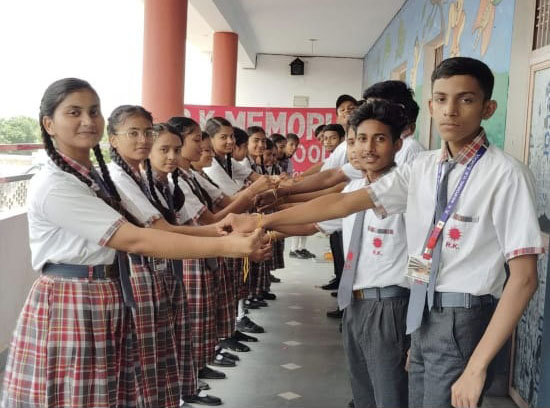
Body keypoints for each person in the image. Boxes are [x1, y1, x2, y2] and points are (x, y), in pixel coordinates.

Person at [227, 57, 544, 408]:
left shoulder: (506, 174)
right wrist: (262, 222)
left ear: (488, 108)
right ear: (431, 106)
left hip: (463, 316)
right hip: (422, 311)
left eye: (465, 99)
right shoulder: (423, 168)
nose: (450, 110)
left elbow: (524, 279)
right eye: (441, 99)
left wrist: (477, 367)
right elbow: (342, 204)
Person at [1, 78, 262, 408]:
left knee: (105, 391)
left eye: (94, 111)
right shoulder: (56, 184)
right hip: (75, 298)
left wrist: (224, 230)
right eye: (74, 112)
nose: (87, 120)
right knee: (80, 394)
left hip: (102, 291)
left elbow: (149, 229)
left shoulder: (90, 177)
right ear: (48, 124)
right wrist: (228, 245)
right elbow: (136, 238)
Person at [262, 100, 411, 407]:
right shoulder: (354, 187)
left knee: (389, 393)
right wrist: (262, 230)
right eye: (359, 140)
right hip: (354, 301)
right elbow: (312, 223)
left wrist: (262, 221)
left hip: (389, 304)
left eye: (379, 139)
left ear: (398, 144)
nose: (367, 148)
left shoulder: (401, 186)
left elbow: (333, 206)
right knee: (362, 390)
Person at [363, 80, 425, 166]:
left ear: (398, 110)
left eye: (375, 108)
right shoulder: (382, 145)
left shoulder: (410, 149)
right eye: (367, 106)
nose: (367, 114)